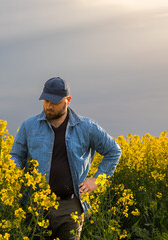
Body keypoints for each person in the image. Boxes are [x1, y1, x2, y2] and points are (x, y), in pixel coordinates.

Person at [10, 77, 122, 240]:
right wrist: (11, 172)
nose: (48, 106)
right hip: (36, 205)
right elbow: (16, 156)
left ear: (67, 100)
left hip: (70, 207)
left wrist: (98, 180)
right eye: (46, 100)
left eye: (54, 102)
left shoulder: (87, 127)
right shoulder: (29, 126)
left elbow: (114, 151)